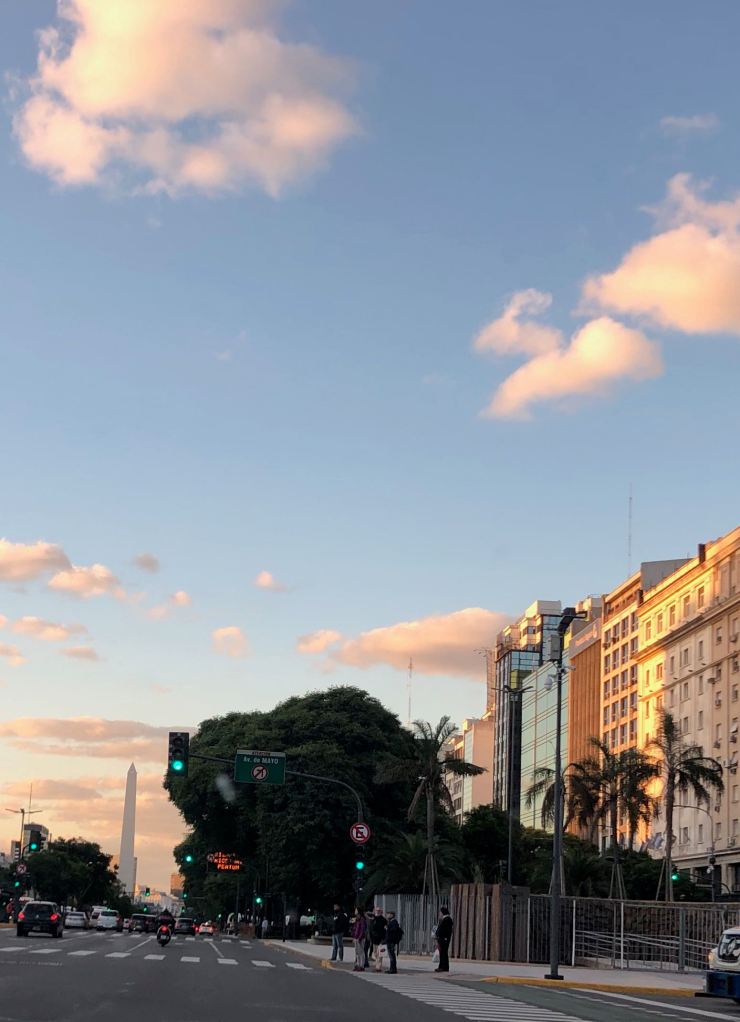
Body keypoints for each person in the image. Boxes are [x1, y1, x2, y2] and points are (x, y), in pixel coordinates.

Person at [369, 906, 387, 973]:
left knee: (380, 954)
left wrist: (383, 939)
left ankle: (378, 967)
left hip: (381, 939)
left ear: (381, 912)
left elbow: (385, 930)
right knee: (375, 953)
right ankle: (377, 966)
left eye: (379, 911)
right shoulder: (373, 919)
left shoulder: (383, 920)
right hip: (374, 939)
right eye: (377, 910)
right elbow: (371, 928)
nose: (378, 912)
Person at [435, 906, 453, 973]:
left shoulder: (447, 919)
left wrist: (444, 937)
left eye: (440, 912)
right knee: (442, 953)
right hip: (442, 938)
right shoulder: (444, 919)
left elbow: (446, 930)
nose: (439, 913)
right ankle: (443, 966)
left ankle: (443, 967)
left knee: (443, 953)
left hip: (444, 939)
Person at [385, 910, 402, 974]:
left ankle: (393, 969)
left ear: (392, 915)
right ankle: (392, 968)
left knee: (392, 955)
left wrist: (387, 928)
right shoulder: (391, 922)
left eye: (388, 914)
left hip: (391, 941)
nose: (387, 915)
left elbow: (393, 930)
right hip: (389, 941)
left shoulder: (394, 922)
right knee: (391, 955)